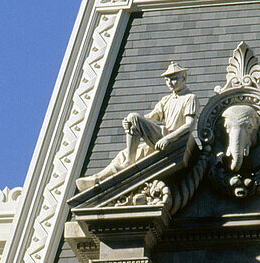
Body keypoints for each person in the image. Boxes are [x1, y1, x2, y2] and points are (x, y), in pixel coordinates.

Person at [75, 62, 198, 191]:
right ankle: (97, 179)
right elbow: (151, 117)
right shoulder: (166, 100)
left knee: (134, 117)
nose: (170, 83)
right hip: (161, 140)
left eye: (174, 79)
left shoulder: (190, 98)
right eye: (167, 80)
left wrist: (167, 139)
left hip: (174, 141)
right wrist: (129, 122)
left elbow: (189, 125)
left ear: (184, 77)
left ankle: (129, 161)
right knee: (123, 152)